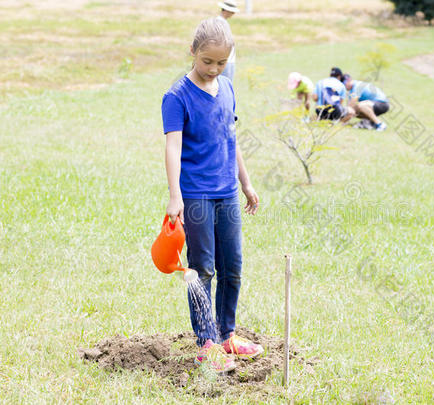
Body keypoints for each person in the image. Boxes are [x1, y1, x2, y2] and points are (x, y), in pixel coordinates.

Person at [161, 17, 263, 373]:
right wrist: (176, 196)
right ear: (193, 52)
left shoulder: (227, 89)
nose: (214, 69)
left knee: (232, 267)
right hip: (196, 196)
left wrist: (246, 184)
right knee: (202, 267)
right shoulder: (177, 97)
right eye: (207, 62)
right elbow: (173, 148)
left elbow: (230, 141)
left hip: (227, 194)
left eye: (221, 63)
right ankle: (207, 342)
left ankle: (227, 334)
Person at [217, 1, 239, 81]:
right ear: (226, 10)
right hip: (226, 59)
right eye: (232, 12)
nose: (233, 14)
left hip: (228, 58)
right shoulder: (220, 22)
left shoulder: (223, 22)